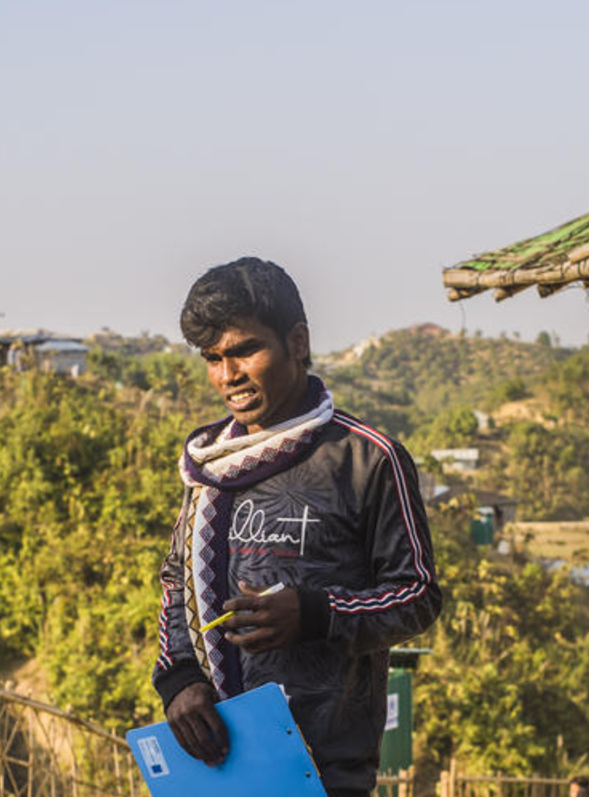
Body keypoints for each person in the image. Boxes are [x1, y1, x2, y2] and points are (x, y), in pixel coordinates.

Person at [153, 257, 442, 797]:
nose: (227, 375)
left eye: (244, 351)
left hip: (324, 773)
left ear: (298, 341)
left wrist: (316, 614)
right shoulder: (210, 467)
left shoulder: (367, 460)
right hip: (217, 768)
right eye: (212, 358)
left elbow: (418, 595)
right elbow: (176, 582)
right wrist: (180, 681)